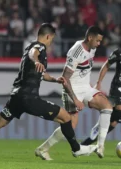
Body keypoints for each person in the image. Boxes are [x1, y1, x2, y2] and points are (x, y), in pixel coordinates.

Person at [0, 23, 96, 160]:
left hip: (17, 96)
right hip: (29, 98)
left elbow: (41, 73)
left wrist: (54, 80)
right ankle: (77, 149)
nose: (52, 42)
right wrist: (36, 61)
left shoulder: (28, 48)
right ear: (48, 36)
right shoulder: (38, 47)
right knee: (66, 117)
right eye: (52, 39)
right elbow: (33, 54)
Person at [35, 26, 113, 160]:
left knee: (107, 107)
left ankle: (100, 146)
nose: (99, 44)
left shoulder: (92, 48)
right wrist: (76, 99)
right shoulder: (76, 52)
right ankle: (43, 149)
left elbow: (84, 70)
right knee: (70, 125)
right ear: (90, 38)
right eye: (98, 41)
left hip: (85, 88)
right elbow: (65, 78)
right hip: (71, 89)